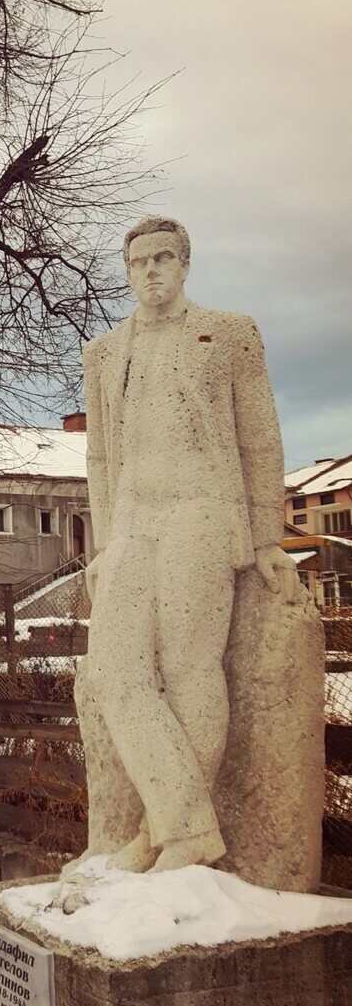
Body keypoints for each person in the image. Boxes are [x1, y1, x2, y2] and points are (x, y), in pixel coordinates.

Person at [66, 215, 297, 876]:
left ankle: (165, 836)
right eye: (139, 262)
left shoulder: (229, 334)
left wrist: (267, 537)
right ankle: (183, 821)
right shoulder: (104, 353)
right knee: (115, 672)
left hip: (202, 513)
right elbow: (100, 457)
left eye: (164, 258)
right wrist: (104, 544)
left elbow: (260, 437)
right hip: (134, 521)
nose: (151, 271)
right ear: (128, 271)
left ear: (185, 265)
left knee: (192, 667)